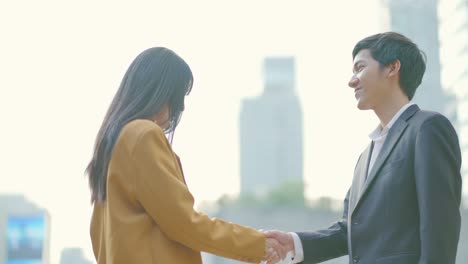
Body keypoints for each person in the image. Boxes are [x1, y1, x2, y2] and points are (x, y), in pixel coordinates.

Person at [266, 32, 463, 264]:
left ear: (392, 67)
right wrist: (294, 242)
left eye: (360, 68)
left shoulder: (427, 128)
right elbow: (350, 232)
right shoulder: (365, 157)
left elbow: (439, 227)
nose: (351, 81)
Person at [85, 47, 287, 264]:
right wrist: (256, 243)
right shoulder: (143, 135)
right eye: (178, 95)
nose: (180, 106)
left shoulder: (110, 147)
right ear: (159, 91)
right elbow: (183, 222)